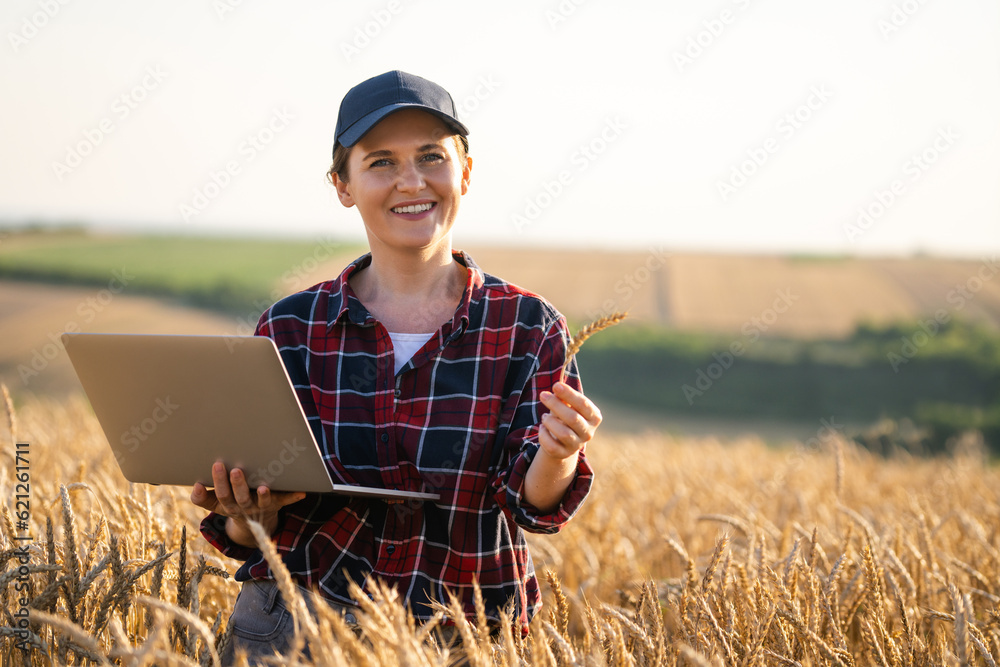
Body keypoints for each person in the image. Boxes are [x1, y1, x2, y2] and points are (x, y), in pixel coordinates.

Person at [190, 70, 602, 662]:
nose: (412, 181)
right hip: (298, 631)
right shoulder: (290, 328)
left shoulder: (528, 328)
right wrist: (243, 513)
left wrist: (558, 454)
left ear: (465, 171)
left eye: (431, 156)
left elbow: (532, 506)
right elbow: (252, 526)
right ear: (343, 184)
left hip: (464, 639)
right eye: (381, 161)